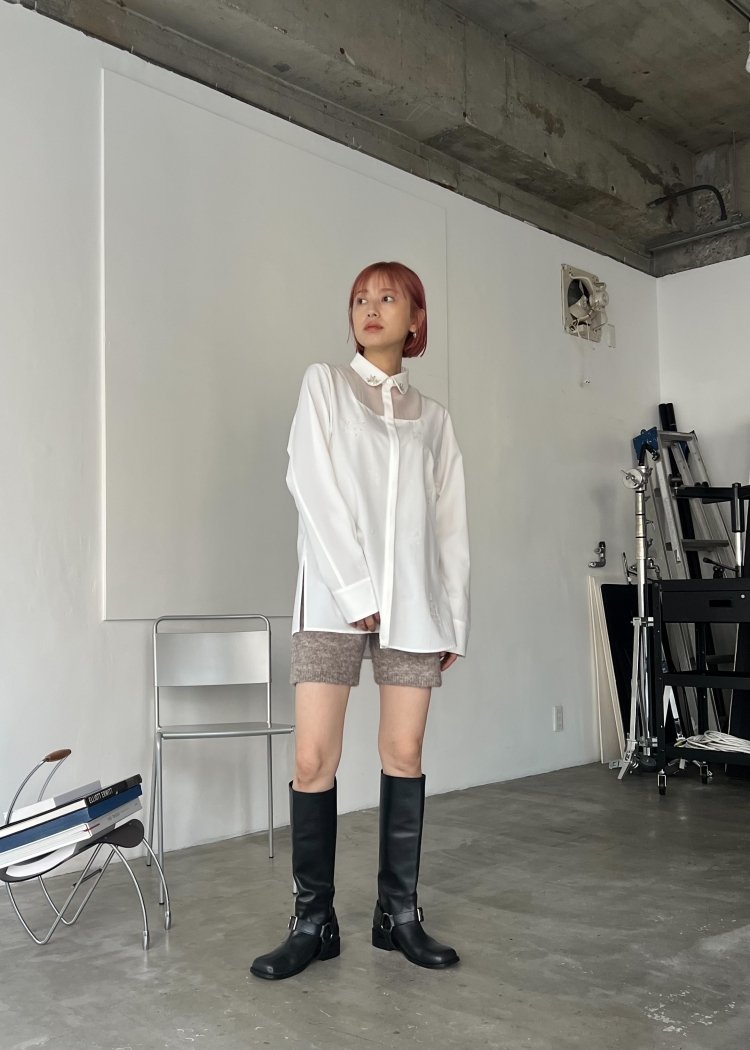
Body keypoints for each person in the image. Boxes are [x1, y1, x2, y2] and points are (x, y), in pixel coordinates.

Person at [250, 261, 470, 981]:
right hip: (330, 603)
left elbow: (449, 526)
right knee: (313, 760)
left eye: (388, 297)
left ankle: (396, 915)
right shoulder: (326, 385)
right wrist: (352, 588)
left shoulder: (434, 419)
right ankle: (313, 923)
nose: (370, 308)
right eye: (359, 299)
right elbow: (309, 482)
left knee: (403, 754)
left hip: (415, 606)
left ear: (416, 318)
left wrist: (452, 619)